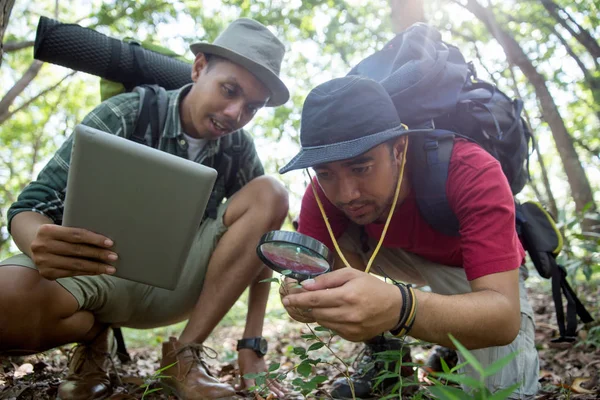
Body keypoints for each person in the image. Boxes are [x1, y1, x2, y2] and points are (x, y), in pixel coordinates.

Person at [0, 18, 289, 400]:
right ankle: (91, 337)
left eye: (252, 107)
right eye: (229, 90)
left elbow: (260, 246)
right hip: (88, 271)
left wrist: (251, 347)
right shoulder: (126, 113)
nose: (236, 113)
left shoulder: (238, 149)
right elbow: (31, 204)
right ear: (199, 67)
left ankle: (184, 357)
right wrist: (39, 240)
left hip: (175, 287)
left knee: (272, 191)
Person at [278, 75, 540, 399]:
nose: (346, 194)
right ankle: (384, 353)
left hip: (471, 270)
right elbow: (307, 269)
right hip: (396, 256)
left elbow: (502, 318)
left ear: (398, 149)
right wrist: (300, 292)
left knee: (500, 391)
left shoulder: (470, 170)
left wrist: (401, 309)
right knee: (327, 253)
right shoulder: (323, 193)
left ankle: (450, 344)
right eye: (326, 173)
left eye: (360, 168)